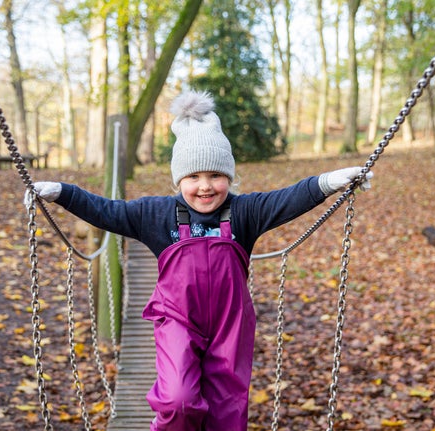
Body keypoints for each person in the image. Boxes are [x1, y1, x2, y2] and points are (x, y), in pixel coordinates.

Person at [26, 90, 372, 431]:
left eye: (215, 176)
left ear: (229, 177)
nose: (205, 187)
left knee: (227, 412)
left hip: (230, 323)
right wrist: (62, 193)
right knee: (178, 401)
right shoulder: (157, 214)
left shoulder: (244, 212)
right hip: (178, 318)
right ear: (179, 179)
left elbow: (289, 198)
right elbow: (107, 211)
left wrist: (329, 182)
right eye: (193, 177)